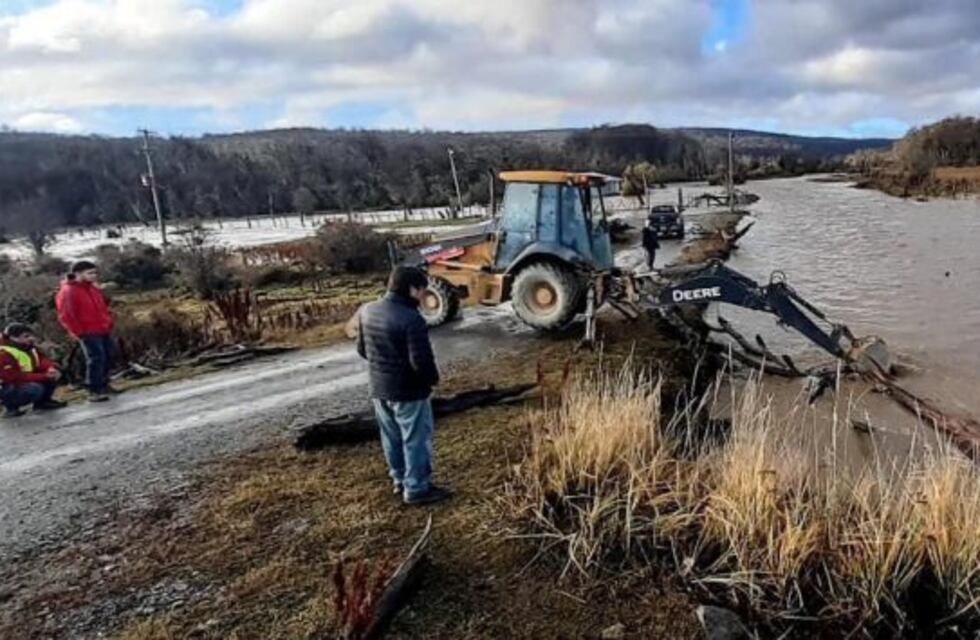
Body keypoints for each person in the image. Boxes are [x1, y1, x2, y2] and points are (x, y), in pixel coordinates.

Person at [357, 266, 450, 505]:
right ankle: (417, 488)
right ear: (411, 289)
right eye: (422, 290)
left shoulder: (367, 310)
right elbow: (421, 361)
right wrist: (432, 381)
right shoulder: (411, 319)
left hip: (379, 388)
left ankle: (399, 480)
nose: (423, 296)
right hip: (408, 391)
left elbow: (362, 350)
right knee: (416, 440)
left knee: (391, 438)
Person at [55, 260, 114, 402]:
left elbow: (102, 307)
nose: (94, 276)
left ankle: (104, 384)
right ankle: (94, 389)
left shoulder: (92, 288)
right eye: (90, 273)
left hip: (102, 328)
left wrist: (108, 322)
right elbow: (66, 315)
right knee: (95, 358)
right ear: (78, 274)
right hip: (87, 331)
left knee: (108, 355)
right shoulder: (69, 291)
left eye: (95, 273)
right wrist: (78, 332)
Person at [0, 323, 67, 418]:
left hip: (24, 380)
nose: (31, 338)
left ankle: (43, 402)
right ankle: (10, 407)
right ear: (13, 338)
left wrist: (50, 368)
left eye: (31, 335)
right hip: (8, 386)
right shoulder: (3, 353)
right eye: (26, 336)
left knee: (55, 371)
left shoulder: (27, 346)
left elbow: (41, 360)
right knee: (34, 389)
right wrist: (44, 376)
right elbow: (12, 377)